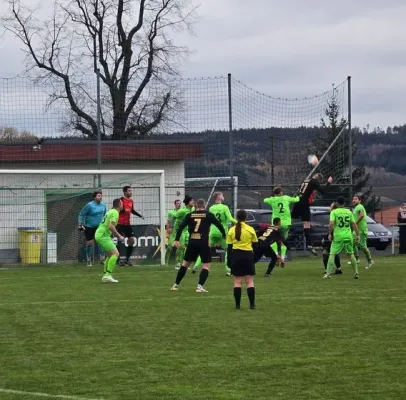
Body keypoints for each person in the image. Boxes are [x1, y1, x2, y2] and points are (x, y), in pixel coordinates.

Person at [170, 198, 225, 293]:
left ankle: (175, 285)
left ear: (196, 205)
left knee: (185, 264)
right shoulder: (208, 215)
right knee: (206, 266)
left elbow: (181, 227)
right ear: (204, 205)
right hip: (203, 242)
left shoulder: (190, 215)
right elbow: (219, 225)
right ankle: (199, 287)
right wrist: (224, 235)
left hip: (192, 242)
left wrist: (176, 239)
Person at [192, 192, 237, 276]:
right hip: (222, 232)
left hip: (212, 232)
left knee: (205, 250)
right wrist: (239, 222)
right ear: (219, 197)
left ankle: (195, 266)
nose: (223, 196)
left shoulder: (211, 208)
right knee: (228, 250)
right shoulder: (224, 207)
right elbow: (230, 219)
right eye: (222, 195)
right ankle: (228, 270)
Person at [292, 173, 333, 255]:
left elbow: (306, 190)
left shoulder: (306, 180)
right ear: (319, 180)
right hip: (304, 204)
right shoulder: (314, 182)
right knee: (307, 224)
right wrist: (328, 183)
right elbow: (323, 191)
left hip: (297, 202)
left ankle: (286, 238)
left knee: (291, 221)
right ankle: (309, 245)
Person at [226, 209, 258, 310]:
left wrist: (229, 260)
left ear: (236, 218)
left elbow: (229, 247)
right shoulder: (250, 229)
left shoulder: (231, 230)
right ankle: (252, 305)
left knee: (237, 281)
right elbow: (255, 244)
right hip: (248, 256)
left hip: (236, 256)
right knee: (249, 281)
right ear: (246, 218)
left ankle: (237, 305)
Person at [324, 196, 360, 279]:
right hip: (348, 236)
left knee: (332, 254)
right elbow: (354, 224)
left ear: (337, 203)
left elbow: (331, 224)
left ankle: (328, 273)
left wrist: (330, 234)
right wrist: (357, 235)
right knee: (351, 254)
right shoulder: (349, 212)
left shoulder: (334, 212)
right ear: (344, 203)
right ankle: (356, 272)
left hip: (338, 236)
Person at [263, 187, 299, 267]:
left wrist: (272, 198)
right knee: (283, 241)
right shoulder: (286, 198)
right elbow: (296, 200)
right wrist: (297, 196)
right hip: (285, 224)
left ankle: (276, 255)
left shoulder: (272, 200)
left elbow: (264, 200)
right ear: (281, 192)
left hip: (275, 224)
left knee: (273, 241)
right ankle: (282, 258)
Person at [95, 198, 125, 283]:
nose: (123, 205)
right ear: (119, 205)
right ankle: (108, 275)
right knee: (116, 254)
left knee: (109, 255)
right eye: (122, 203)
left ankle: (105, 275)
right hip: (103, 235)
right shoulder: (115, 212)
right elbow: (111, 226)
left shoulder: (111, 211)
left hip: (100, 234)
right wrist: (119, 236)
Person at [116, 186, 144, 266]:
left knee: (132, 240)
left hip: (127, 224)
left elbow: (132, 210)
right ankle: (118, 260)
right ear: (125, 192)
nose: (131, 192)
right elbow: (116, 209)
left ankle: (126, 260)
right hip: (120, 224)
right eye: (129, 191)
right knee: (119, 241)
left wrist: (140, 215)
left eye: (131, 191)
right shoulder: (121, 200)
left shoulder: (131, 201)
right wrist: (123, 210)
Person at [78, 191, 107, 266]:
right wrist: (80, 224)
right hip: (89, 227)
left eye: (101, 196)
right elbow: (81, 214)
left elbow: (104, 215)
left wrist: (105, 224)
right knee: (90, 243)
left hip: (100, 227)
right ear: (94, 197)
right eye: (98, 196)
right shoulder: (89, 205)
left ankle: (102, 259)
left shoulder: (103, 205)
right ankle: (88, 259)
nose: (100, 197)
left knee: (101, 242)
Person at [172, 195, 195, 270]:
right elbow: (174, 217)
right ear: (188, 202)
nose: (193, 202)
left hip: (187, 230)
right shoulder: (182, 211)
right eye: (192, 201)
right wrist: (172, 227)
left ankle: (184, 264)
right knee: (181, 247)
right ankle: (178, 264)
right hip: (180, 230)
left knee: (188, 247)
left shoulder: (193, 209)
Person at [352, 195, 374, 269]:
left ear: (359, 201)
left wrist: (356, 222)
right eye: (353, 199)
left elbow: (361, 215)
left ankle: (370, 261)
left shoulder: (360, 206)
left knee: (363, 247)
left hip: (362, 230)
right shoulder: (355, 208)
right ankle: (357, 259)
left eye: (355, 199)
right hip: (356, 230)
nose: (354, 200)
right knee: (352, 243)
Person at [321, 203, 342, 275]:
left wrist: (329, 235)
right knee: (330, 253)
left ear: (333, 208)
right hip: (335, 234)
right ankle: (337, 269)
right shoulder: (335, 214)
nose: (329, 207)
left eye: (330, 206)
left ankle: (330, 270)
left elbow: (332, 225)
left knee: (329, 253)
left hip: (334, 235)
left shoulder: (333, 214)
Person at [165, 199, 182, 265]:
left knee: (180, 248)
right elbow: (168, 222)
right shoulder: (171, 212)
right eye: (178, 203)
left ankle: (179, 262)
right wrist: (167, 230)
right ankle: (165, 262)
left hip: (180, 231)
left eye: (180, 203)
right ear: (175, 204)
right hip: (173, 231)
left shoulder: (182, 212)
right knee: (169, 247)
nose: (179, 204)